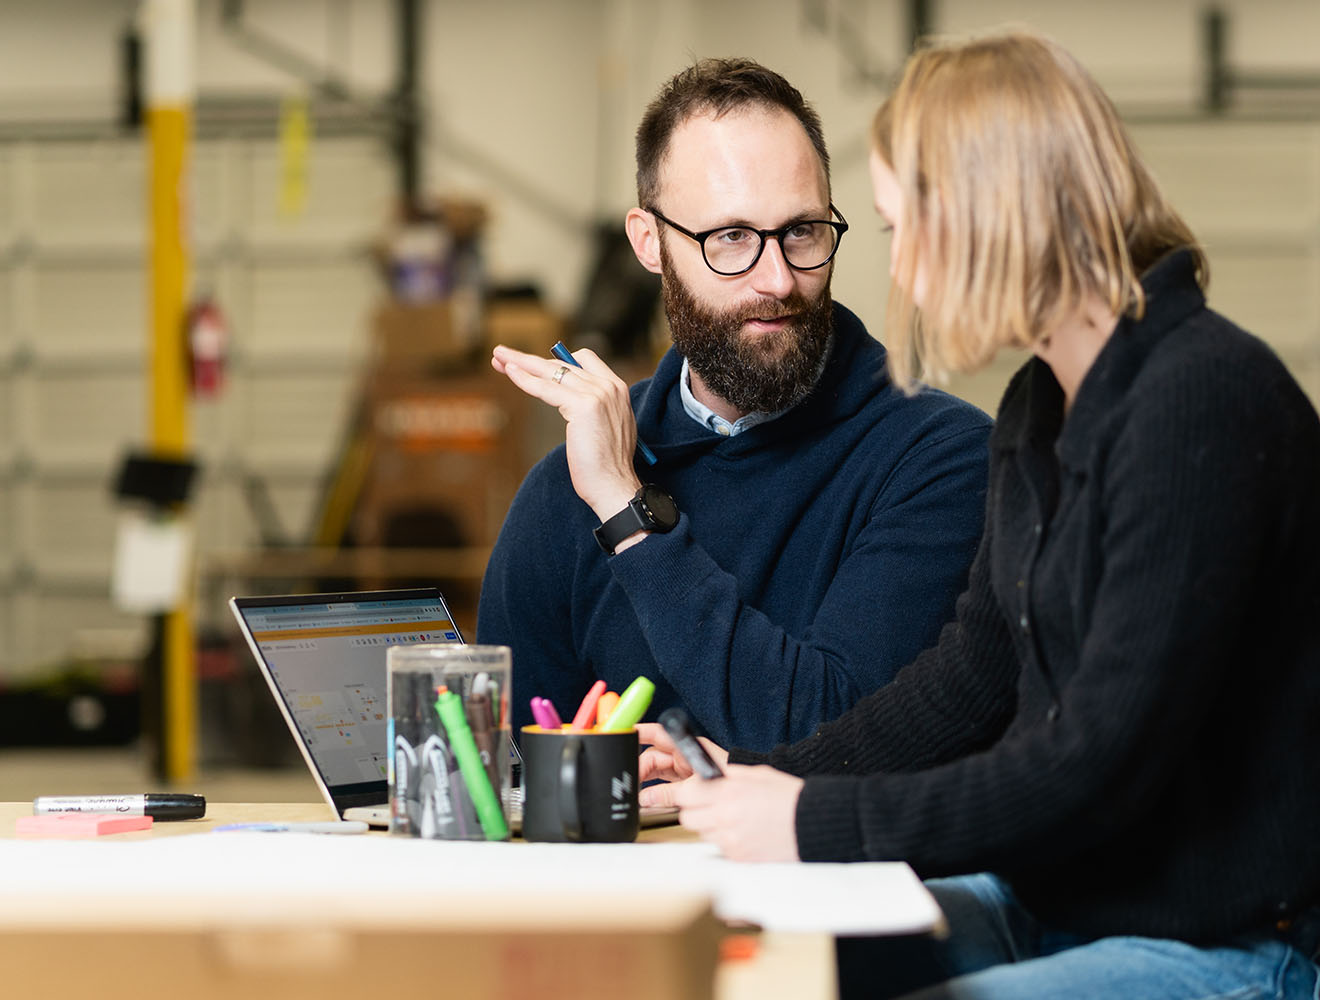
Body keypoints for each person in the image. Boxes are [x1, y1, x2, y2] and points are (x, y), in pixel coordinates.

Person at [637, 31, 1320, 1000]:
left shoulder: (1199, 402)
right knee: (762, 963)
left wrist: (812, 826)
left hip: (1226, 944)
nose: (903, 268)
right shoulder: (1043, 408)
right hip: (1057, 904)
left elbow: (1096, 762)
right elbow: (965, 683)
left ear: (988, 212)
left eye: (903, 225)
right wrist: (751, 778)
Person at [478, 58, 992, 750]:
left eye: (802, 232)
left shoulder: (942, 459)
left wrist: (630, 515)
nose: (777, 279)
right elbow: (511, 774)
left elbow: (833, 737)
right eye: (731, 239)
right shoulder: (566, 490)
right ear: (648, 242)